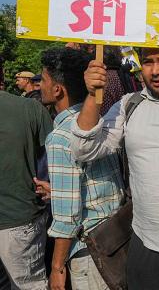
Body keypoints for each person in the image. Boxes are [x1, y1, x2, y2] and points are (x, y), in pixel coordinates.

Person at [68, 30, 159, 289]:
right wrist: (92, 94)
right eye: (148, 62)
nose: (155, 71)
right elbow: (84, 150)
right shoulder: (128, 105)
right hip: (147, 243)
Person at [40, 48, 124, 290]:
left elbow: (68, 217)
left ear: (58, 89)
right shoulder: (98, 123)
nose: (40, 85)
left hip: (89, 252)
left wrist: (57, 267)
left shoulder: (60, 137)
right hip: (114, 240)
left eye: (44, 79)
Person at [0, 81, 53, 289]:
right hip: (21, 222)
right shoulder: (30, 108)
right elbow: (55, 159)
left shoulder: (30, 108)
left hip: (18, 220)